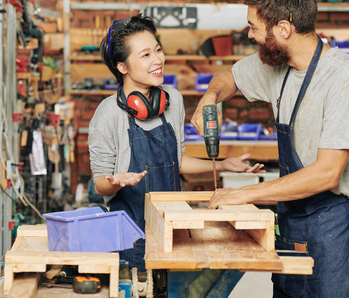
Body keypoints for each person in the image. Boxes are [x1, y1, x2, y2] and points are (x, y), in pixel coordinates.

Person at [191, 0, 349, 298]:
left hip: (331, 225)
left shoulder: (344, 77)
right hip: (290, 218)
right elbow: (227, 77)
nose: (250, 35)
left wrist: (245, 194)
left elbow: (328, 174)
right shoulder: (277, 65)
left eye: (254, 28)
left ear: (283, 29)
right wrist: (210, 98)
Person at [88, 15, 264, 273]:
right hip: (132, 235)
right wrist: (114, 181)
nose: (158, 59)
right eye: (145, 55)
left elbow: (176, 161)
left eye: (158, 50)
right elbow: (99, 183)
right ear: (122, 67)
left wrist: (224, 164)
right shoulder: (108, 114)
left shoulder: (173, 100)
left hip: (175, 227)